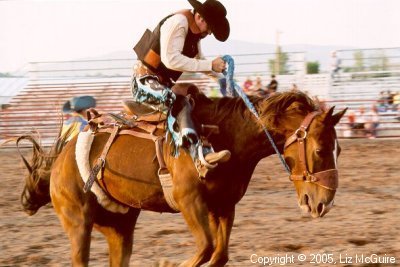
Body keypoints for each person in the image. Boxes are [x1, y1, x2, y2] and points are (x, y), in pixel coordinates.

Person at [131, 0, 231, 174]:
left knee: (195, 98)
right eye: (209, 28)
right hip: (144, 82)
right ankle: (198, 156)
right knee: (172, 99)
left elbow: (200, 61)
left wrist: (221, 80)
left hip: (164, 83)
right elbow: (171, 59)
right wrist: (210, 65)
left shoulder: (193, 34)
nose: (208, 33)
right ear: (199, 17)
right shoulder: (178, 22)